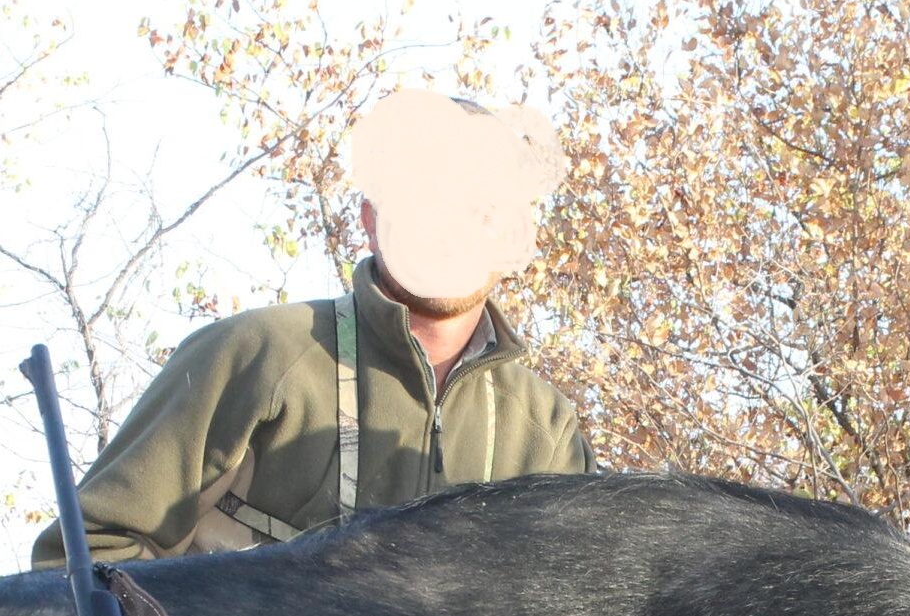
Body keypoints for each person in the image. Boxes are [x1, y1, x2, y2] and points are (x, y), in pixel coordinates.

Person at [34, 90, 593, 566]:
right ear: (373, 222)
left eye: (482, 210)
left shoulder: (546, 432)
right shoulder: (257, 355)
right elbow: (89, 558)